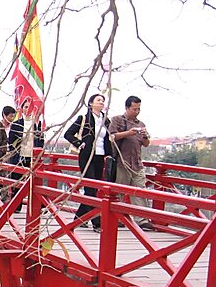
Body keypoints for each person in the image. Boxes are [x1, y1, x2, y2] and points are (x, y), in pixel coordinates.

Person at [63, 93, 113, 231]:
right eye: (98, 100)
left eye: (103, 100)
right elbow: (68, 134)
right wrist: (79, 143)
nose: (102, 102)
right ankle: (97, 222)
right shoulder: (84, 118)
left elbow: (108, 139)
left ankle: (79, 218)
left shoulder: (105, 120)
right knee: (90, 187)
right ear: (91, 103)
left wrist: (110, 154)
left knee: (94, 189)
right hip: (87, 156)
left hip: (100, 156)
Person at [109, 96, 154, 231]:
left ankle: (142, 219)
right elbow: (112, 136)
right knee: (120, 191)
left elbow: (146, 144)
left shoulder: (141, 124)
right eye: (134, 109)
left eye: (138, 109)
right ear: (127, 108)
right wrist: (128, 133)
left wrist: (145, 135)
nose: (137, 111)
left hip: (137, 163)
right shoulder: (117, 120)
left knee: (140, 190)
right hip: (122, 162)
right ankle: (119, 217)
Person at [8, 116, 44, 212]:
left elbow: (41, 141)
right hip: (19, 156)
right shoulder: (16, 124)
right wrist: (14, 151)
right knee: (17, 182)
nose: (28, 110)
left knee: (35, 182)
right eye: (26, 107)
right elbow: (11, 141)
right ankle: (16, 206)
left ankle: (36, 207)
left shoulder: (37, 124)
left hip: (33, 157)